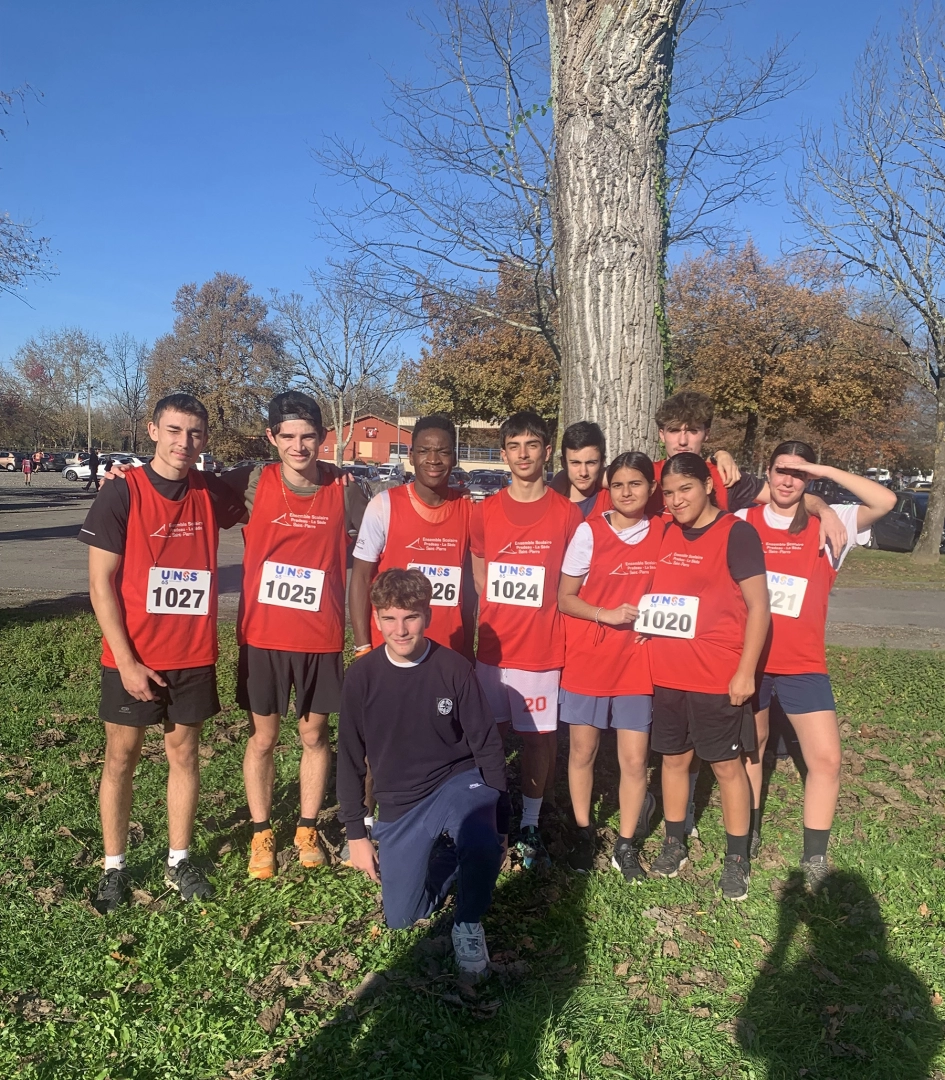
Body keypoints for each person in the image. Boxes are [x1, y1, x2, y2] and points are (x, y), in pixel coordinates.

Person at [79, 393, 247, 913]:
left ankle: (179, 859)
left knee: (184, 756)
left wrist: (337, 477)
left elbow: (277, 488)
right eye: (174, 431)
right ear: (152, 431)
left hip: (192, 654)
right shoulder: (121, 492)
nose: (184, 443)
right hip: (132, 655)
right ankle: (115, 867)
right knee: (121, 758)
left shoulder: (212, 491)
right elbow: (99, 583)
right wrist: (127, 661)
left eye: (195, 434)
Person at [337, 568, 508, 979]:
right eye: (390, 618)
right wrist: (356, 835)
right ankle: (451, 852)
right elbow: (348, 756)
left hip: (455, 781)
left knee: (482, 841)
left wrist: (501, 822)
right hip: (400, 801)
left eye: (410, 617)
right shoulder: (361, 676)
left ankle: (468, 921)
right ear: (375, 619)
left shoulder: (453, 668)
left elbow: (486, 743)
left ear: (427, 617)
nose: (401, 629)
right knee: (402, 915)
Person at [739, 442, 895, 891]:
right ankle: (746, 831)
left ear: (809, 478)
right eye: (781, 471)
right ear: (766, 472)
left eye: (799, 474)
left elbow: (885, 501)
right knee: (755, 746)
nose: (788, 480)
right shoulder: (743, 522)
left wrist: (822, 475)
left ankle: (815, 856)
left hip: (803, 664)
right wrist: (815, 496)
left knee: (826, 759)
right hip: (750, 660)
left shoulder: (834, 524)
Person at [234, 391, 367, 879]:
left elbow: (381, 534)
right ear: (272, 438)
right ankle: (261, 832)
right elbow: (185, 486)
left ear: (323, 437)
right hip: (263, 637)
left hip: (320, 637)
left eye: (307, 436)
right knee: (264, 738)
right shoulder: (251, 483)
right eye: (287, 436)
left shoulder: (346, 489)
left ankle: (307, 828)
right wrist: (126, 476)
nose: (298, 445)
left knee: (314, 734)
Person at [645, 453, 770, 901]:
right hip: (668, 671)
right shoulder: (662, 530)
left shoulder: (737, 533)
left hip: (718, 674)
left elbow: (759, 608)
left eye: (686, 489)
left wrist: (745, 672)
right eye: (670, 492)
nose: (677, 500)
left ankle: (737, 856)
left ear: (708, 487)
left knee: (725, 766)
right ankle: (673, 841)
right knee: (674, 760)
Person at [470, 411, 583, 869]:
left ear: (547, 451)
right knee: (490, 737)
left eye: (532, 445)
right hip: (494, 650)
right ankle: (493, 815)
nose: (523, 454)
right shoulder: (486, 511)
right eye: (514, 446)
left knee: (538, 741)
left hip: (541, 651)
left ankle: (531, 822)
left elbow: (576, 579)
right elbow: (481, 573)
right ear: (503, 455)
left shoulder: (568, 515)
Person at [558, 452, 663, 881]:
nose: (626, 492)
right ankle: (583, 833)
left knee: (635, 761)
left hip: (638, 664)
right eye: (617, 484)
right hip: (590, 659)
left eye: (635, 484)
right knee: (583, 752)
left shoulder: (665, 532)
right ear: (607, 487)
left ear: (651, 488)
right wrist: (605, 614)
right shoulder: (589, 532)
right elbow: (565, 598)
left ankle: (625, 844)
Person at [350, 414, 474, 659]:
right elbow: (361, 577)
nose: (433, 460)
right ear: (411, 455)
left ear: (455, 457)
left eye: (443, 452)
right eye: (424, 451)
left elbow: (470, 591)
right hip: (391, 651)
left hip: (448, 653)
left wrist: (468, 648)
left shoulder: (469, 510)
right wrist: (362, 647)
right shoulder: (384, 505)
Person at [550, 421, 612, 519]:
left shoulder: (613, 500)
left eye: (591, 463)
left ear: (602, 462)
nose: (583, 473)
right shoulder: (551, 505)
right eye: (575, 463)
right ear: (563, 463)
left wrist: (614, 479)